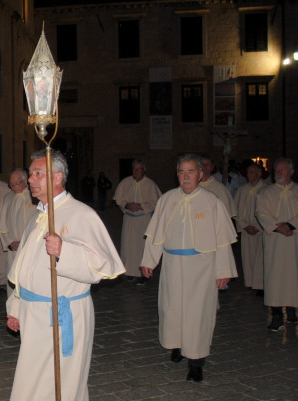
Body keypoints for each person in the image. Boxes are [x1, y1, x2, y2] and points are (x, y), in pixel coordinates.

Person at [6, 150, 125, 401]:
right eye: (31, 174)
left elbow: (102, 267)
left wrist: (64, 252)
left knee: (64, 383)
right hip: (33, 313)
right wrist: (15, 306)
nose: (30, 179)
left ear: (58, 177)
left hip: (61, 315)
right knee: (32, 381)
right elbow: (23, 267)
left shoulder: (81, 214)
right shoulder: (38, 215)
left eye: (38, 173)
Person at [140, 154, 237, 382]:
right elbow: (156, 235)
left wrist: (223, 271)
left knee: (198, 313)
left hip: (201, 267)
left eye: (191, 172)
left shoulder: (212, 202)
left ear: (200, 175)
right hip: (173, 265)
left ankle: (196, 361)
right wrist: (149, 261)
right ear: (177, 175)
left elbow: (222, 240)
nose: (186, 176)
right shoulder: (166, 200)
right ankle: (177, 345)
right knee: (172, 309)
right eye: (181, 172)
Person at [255, 158, 298, 331]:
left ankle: (291, 308)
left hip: (294, 241)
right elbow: (261, 213)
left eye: (283, 170)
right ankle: (276, 315)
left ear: (291, 172)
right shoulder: (265, 193)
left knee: (293, 275)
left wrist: (291, 225)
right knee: (275, 277)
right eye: (277, 170)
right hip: (275, 241)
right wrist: (278, 227)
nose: (279, 172)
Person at [0, 168, 37, 297]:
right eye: (11, 185)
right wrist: (9, 242)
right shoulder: (8, 198)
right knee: (13, 279)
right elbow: (1, 225)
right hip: (13, 248)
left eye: (17, 184)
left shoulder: (35, 197)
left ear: (25, 181)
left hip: (31, 247)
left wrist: (26, 241)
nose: (14, 187)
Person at [113, 159, 162, 284]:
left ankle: (142, 274)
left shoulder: (150, 184)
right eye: (135, 169)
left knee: (142, 246)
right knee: (128, 246)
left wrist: (141, 206)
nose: (137, 171)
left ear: (144, 170)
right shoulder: (125, 182)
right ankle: (130, 272)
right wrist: (127, 205)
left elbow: (156, 203)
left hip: (143, 220)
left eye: (139, 169)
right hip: (129, 220)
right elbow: (119, 200)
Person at [233, 163, 267, 294]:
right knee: (248, 258)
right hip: (247, 229)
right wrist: (245, 225)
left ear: (259, 174)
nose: (249, 175)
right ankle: (250, 282)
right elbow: (235, 210)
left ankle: (261, 284)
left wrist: (259, 226)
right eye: (248, 172)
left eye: (252, 172)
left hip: (261, 230)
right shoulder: (242, 190)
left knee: (261, 259)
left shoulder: (266, 190)